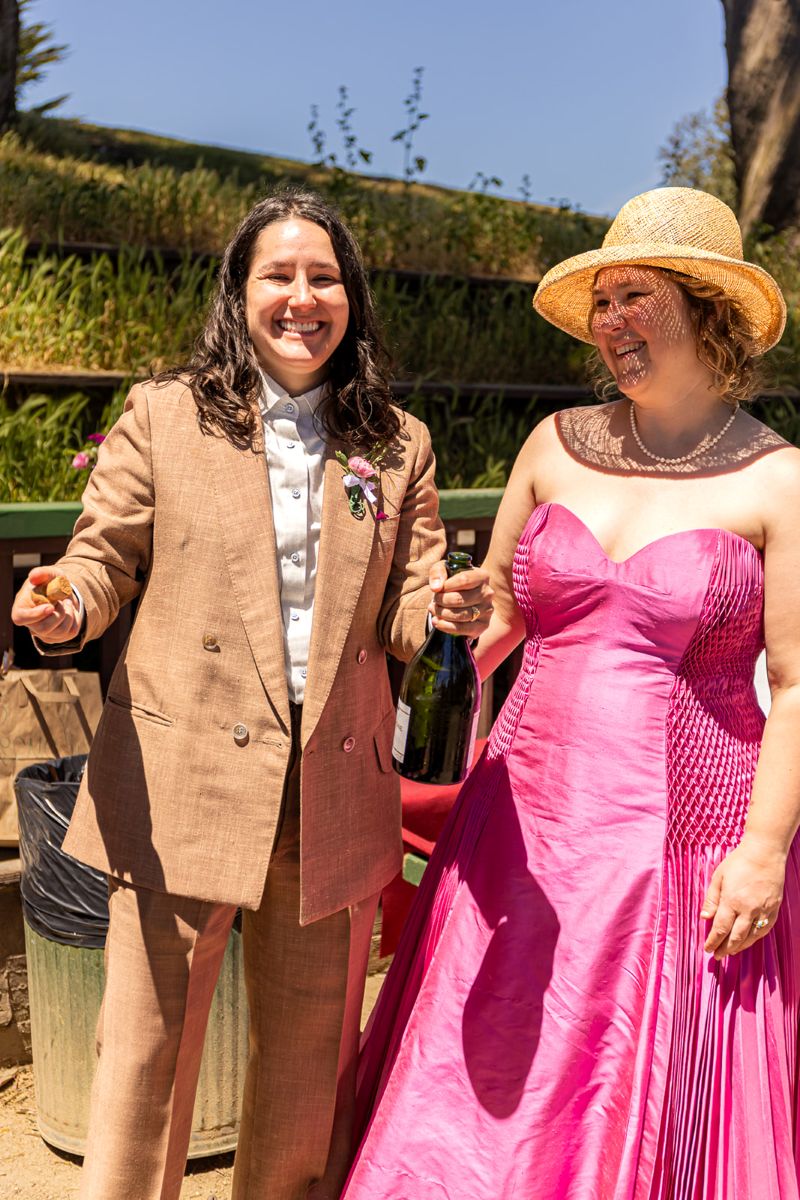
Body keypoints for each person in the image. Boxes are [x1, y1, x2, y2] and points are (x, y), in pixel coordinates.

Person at [10, 187, 492, 1200]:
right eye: (278, 275)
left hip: (332, 792)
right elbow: (103, 559)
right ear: (239, 292)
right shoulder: (162, 414)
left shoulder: (394, 443)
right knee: (143, 1059)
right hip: (181, 779)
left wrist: (445, 614)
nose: (301, 297)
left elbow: (407, 605)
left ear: (350, 298)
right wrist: (69, 606)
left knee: (306, 1072)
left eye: (323, 277)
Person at [340, 187, 800, 1199]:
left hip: (673, 845)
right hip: (521, 827)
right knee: (479, 1072)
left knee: (617, 1075)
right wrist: (463, 614)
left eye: (634, 296)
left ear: (707, 310)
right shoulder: (552, 442)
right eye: (601, 302)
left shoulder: (778, 481)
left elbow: (795, 683)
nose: (609, 322)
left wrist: (762, 852)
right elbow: (501, 607)